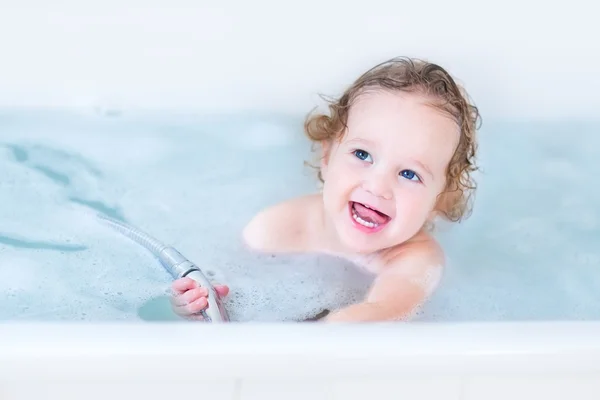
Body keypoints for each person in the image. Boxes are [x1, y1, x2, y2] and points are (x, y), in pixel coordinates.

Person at [170, 56, 481, 322]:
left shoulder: (417, 260)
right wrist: (200, 305)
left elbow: (384, 312)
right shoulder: (276, 229)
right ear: (328, 156)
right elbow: (224, 291)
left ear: (439, 200)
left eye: (410, 174)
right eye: (362, 155)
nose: (377, 186)